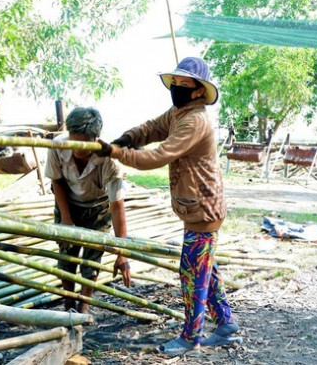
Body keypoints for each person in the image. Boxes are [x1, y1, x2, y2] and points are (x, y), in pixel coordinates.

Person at [96, 57, 241, 356]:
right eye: (175, 83)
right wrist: (129, 137)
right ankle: (225, 324)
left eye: (183, 85)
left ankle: (191, 337)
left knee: (191, 273)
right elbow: (152, 128)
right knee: (204, 267)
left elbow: (158, 156)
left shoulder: (195, 121)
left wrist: (118, 153)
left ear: (199, 91)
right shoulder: (179, 112)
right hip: (195, 206)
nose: (176, 88)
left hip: (203, 208)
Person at [44, 107, 131, 314]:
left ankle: (83, 307)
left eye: (84, 143)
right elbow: (56, 181)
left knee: (92, 261)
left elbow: (117, 207)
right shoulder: (57, 146)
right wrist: (65, 218)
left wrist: (122, 254)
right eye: (75, 141)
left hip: (98, 209)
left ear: (96, 138)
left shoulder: (111, 162)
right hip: (67, 203)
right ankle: (68, 304)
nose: (78, 150)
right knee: (66, 257)